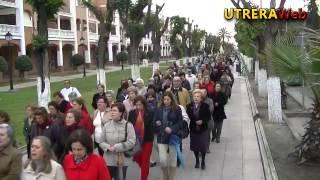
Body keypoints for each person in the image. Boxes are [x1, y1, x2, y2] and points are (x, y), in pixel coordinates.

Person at [99, 103, 136, 180]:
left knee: (120, 178)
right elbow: (101, 141)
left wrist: (117, 147)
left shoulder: (128, 125)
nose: (112, 112)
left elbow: (132, 141)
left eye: (115, 110)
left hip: (122, 160)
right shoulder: (107, 125)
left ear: (121, 113)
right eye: (111, 110)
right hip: (109, 159)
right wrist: (108, 147)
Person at [154, 92, 183, 180]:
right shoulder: (159, 109)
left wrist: (172, 129)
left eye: (168, 99)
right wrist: (157, 123)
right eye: (164, 99)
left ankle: (171, 178)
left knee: (173, 160)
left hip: (172, 137)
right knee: (162, 160)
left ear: (172, 100)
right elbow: (154, 120)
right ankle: (166, 177)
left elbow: (180, 122)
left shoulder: (177, 109)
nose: (166, 101)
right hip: (162, 136)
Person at [128, 96, 154, 180]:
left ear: (144, 105)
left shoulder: (149, 112)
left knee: (145, 162)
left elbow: (148, 124)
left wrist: (140, 116)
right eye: (137, 105)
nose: (138, 107)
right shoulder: (132, 113)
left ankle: (144, 178)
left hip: (147, 140)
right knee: (137, 158)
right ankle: (145, 168)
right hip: (136, 141)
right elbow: (129, 126)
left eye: (140, 105)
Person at [186, 90, 210, 170]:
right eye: (194, 96)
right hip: (193, 128)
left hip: (203, 129)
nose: (196, 98)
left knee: (203, 146)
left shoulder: (205, 106)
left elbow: (208, 117)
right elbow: (188, 116)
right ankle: (197, 160)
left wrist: (202, 121)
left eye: (198, 97)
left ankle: (203, 160)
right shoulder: (189, 106)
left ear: (201, 98)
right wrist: (194, 120)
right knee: (195, 146)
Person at [200, 89, 214, 153]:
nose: (201, 94)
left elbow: (211, 110)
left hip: (208, 122)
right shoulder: (198, 100)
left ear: (206, 93)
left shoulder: (210, 100)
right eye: (200, 93)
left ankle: (207, 147)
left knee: (207, 136)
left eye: (203, 93)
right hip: (199, 122)